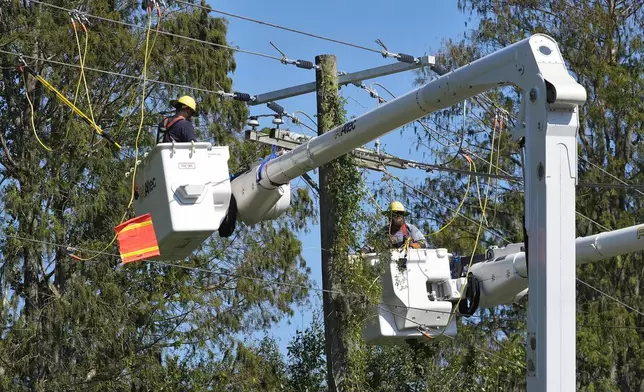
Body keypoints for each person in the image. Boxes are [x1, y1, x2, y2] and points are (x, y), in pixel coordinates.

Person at [362, 201, 427, 252]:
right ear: (389, 217)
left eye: (400, 214)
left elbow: (424, 243)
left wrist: (413, 246)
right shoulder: (383, 232)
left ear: (403, 216)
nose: (398, 216)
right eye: (395, 214)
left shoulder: (410, 229)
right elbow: (367, 247)